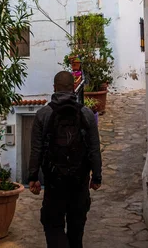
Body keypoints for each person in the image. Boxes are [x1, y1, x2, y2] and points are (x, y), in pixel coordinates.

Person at [28, 71, 103, 248]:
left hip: (55, 183)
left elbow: (36, 150)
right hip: (80, 182)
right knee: (76, 232)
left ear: (54, 88)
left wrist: (33, 177)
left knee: (53, 226)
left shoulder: (43, 114)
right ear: (73, 87)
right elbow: (94, 148)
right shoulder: (86, 114)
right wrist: (97, 177)